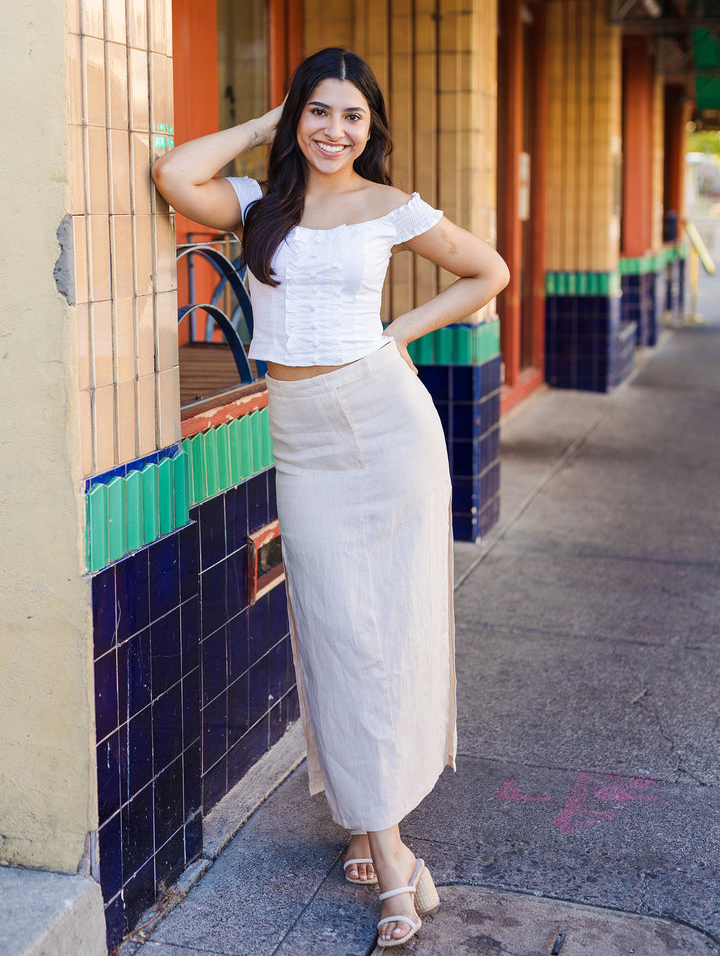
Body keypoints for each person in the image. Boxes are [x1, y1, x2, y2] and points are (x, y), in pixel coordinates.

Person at [152, 47, 509, 948]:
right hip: (303, 433)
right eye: (317, 112)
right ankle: (375, 820)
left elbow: (488, 273)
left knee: (395, 623)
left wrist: (398, 330)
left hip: (388, 425)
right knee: (334, 624)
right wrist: (262, 126)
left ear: (371, 128)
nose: (333, 131)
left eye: (351, 116)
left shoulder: (391, 208)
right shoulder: (255, 207)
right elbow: (172, 175)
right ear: (294, 116)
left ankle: (382, 839)